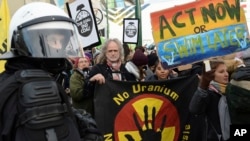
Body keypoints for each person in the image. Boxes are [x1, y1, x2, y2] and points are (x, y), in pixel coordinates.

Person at [0, 2, 87, 140]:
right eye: (52, 40)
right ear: (27, 42)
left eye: (62, 41)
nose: (58, 47)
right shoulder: (38, 87)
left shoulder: (8, 79)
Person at [189, 59, 230, 141]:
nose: (226, 74)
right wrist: (203, 85)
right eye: (221, 72)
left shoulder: (231, 91)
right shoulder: (208, 93)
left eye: (226, 71)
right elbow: (194, 109)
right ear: (211, 75)